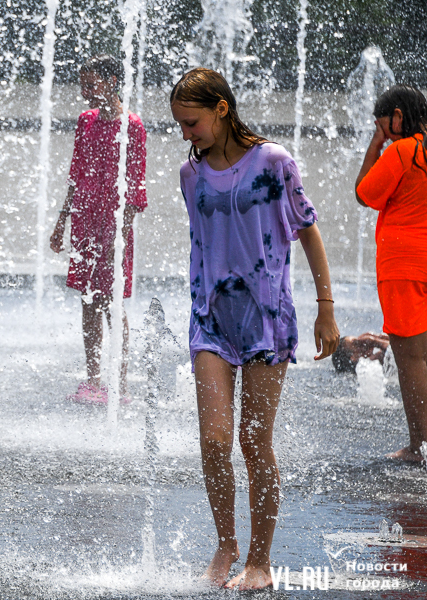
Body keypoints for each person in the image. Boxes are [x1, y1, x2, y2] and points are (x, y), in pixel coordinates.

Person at [170, 67, 338, 590]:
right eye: (179, 124)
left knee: (253, 441)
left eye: (192, 122)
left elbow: (308, 232)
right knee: (214, 439)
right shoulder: (190, 174)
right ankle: (226, 543)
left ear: (222, 108)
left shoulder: (273, 162)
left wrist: (325, 308)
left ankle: (260, 561)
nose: (185, 134)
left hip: (267, 318)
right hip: (210, 318)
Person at [50, 54, 147, 405]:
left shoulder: (132, 126)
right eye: (83, 85)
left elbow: (135, 190)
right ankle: (93, 380)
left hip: (114, 227)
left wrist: (117, 239)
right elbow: (76, 175)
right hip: (84, 222)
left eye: (91, 85)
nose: (85, 93)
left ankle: (119, 383)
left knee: (112, 304)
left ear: (111, 82)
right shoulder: (85, 121)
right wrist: (62, 221)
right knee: (88, 301)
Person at [355, 85, 427, 462]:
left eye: (381, 121)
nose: (379, 127)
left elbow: (364, 193)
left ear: (397, 115)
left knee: (411, 359)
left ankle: (420, 447)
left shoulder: (403, 151)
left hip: (405, 266)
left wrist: (376, 143)